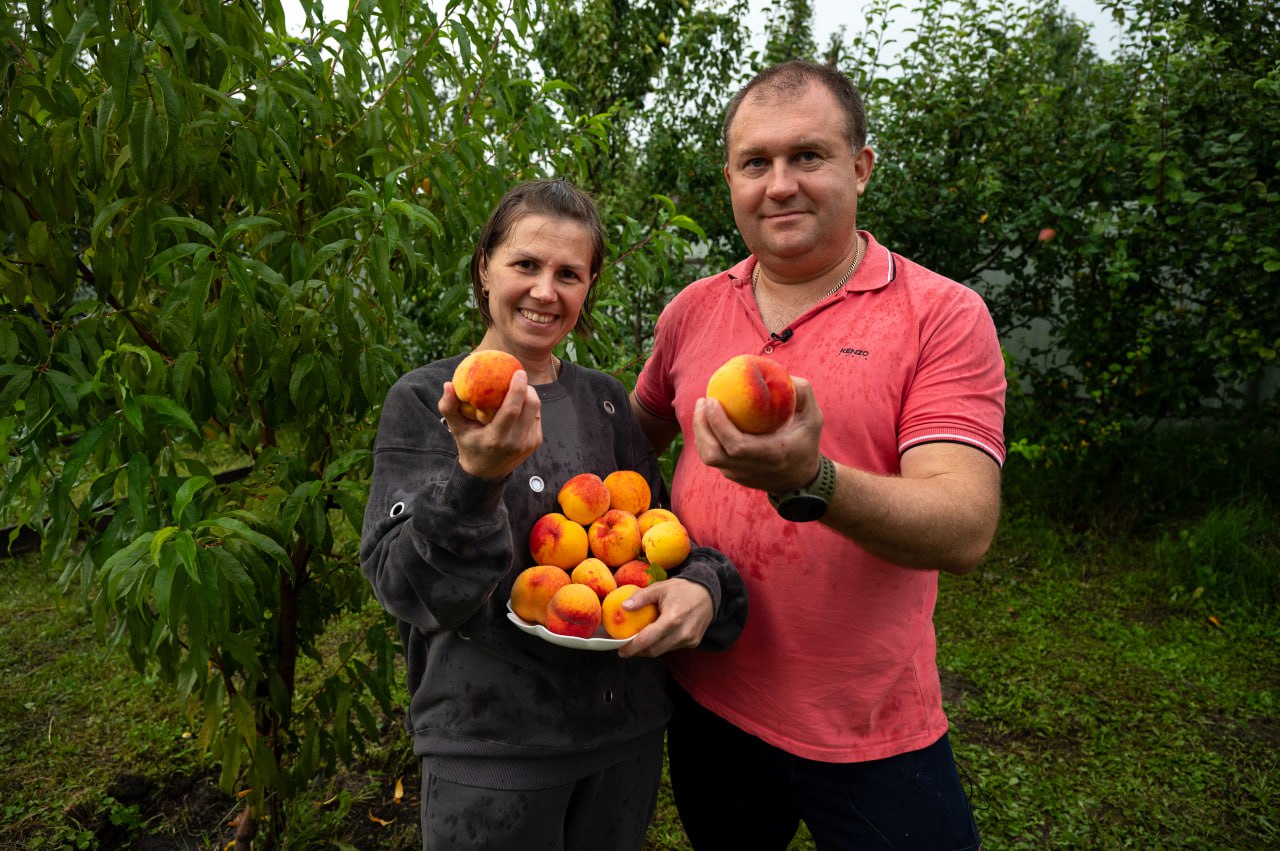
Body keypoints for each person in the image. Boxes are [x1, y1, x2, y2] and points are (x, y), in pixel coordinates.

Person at [627, 60, 1006, 849]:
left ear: (861, 167)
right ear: (730, 177)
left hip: (868, 726)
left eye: (809, 156)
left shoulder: (940, 315)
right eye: (755, 162)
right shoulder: (694, 311)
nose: (780, 184)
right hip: (710, 695)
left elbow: (964, 524)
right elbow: (628, 441)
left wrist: (812, 480)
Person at [360, 178, 747, 851]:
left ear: (589, 284)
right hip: (490, 748)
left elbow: (663, 541)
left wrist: (704, 587)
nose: (546, 290)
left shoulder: (602, 402)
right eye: (526, 265)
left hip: (621, 737)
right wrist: (476, 478)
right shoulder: (430, 401)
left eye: (569, 272)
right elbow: (407, 591)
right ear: (484, 266)